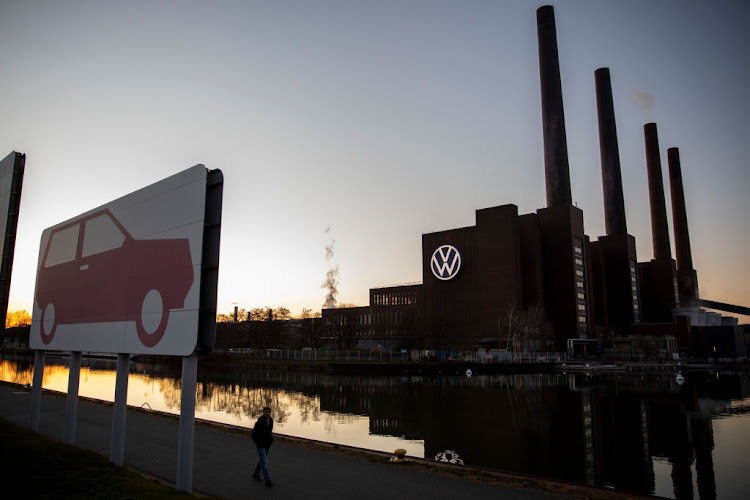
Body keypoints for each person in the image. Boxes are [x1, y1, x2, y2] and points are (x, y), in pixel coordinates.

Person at [251, 406, 274, 487]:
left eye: (268, 412)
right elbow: (253, 434)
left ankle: (255, 474)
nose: (267, 413)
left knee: (262, 459)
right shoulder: (260, 421)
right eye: (266, 412)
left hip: (267, 445)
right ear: (263, 412)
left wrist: (271, 440)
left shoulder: (271, 420)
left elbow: (270, 431)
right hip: (261, 445)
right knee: (264, 462)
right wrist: (258, 443)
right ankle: (268, 480)